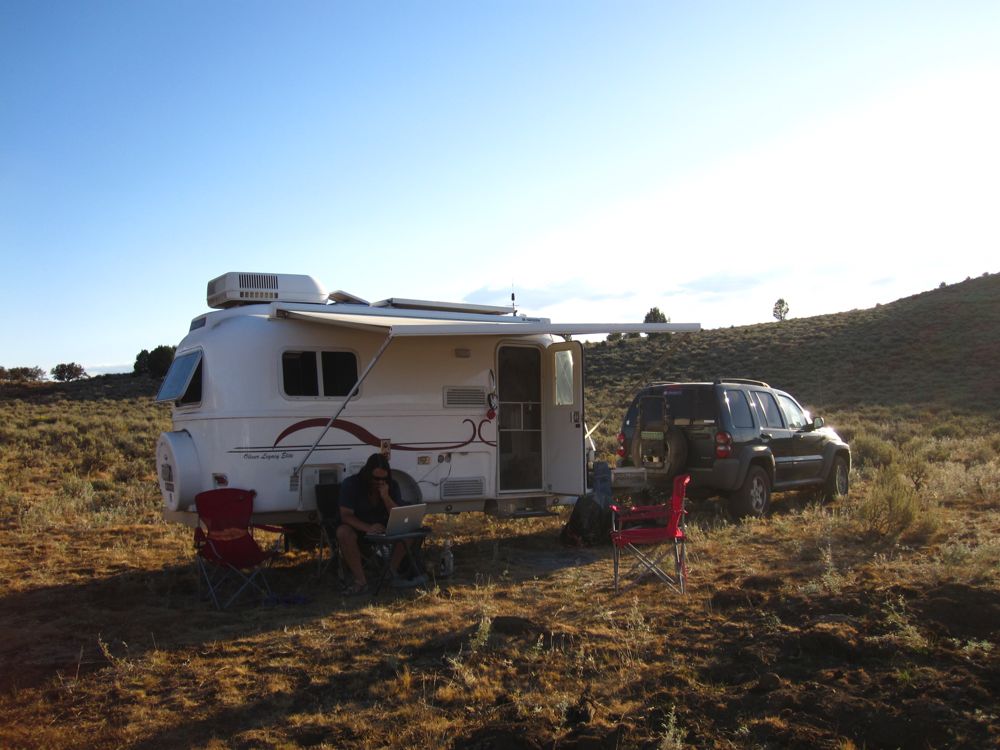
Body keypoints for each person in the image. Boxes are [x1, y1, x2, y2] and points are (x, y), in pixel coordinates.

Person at [336, 452, 423, 594]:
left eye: (384, 478)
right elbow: (345, 516)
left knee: (410, 529)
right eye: (376, 478)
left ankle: (389, 573)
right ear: (367, 474)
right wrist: (368, 528)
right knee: (343, 532)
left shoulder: (391, 485)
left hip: (384, 526)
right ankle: (361, 581)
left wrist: (386, 497)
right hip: (359, 527)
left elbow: (397, 513)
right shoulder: (351, 484)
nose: (380, 482)